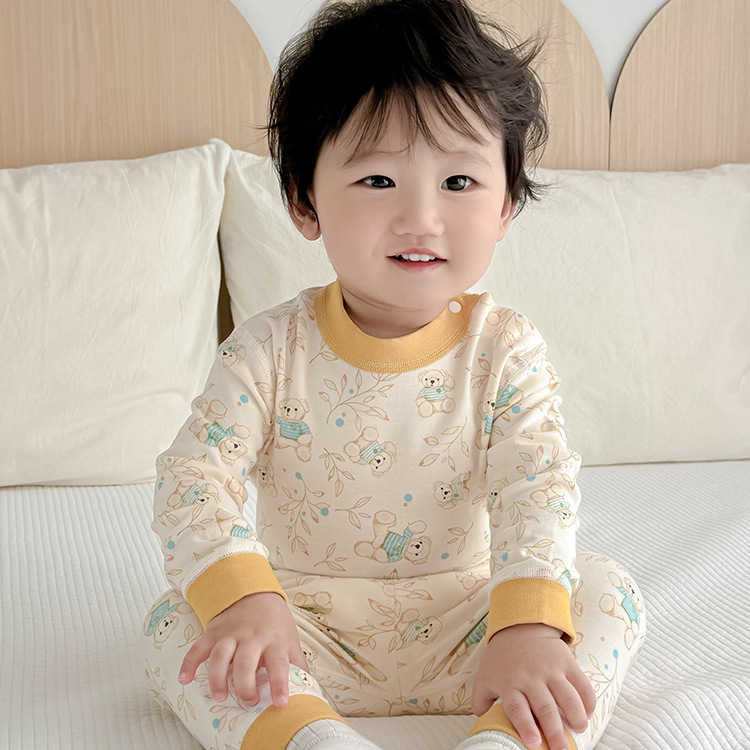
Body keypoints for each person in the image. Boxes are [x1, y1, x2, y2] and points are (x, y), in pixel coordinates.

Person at [142, 1, 647, 749]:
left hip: (476, 632)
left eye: (459, 181)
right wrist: (245, 600)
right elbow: (194, 477)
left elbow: (535, 488)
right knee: (175, 622)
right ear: (304, 201)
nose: (421, 216)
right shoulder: (268, 350)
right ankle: (311, 736)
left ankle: (505, 738)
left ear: (507, 205)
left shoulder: (504, 349)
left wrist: (526, 628)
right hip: (303, 632)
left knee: (607, 592)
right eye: (379, 179)